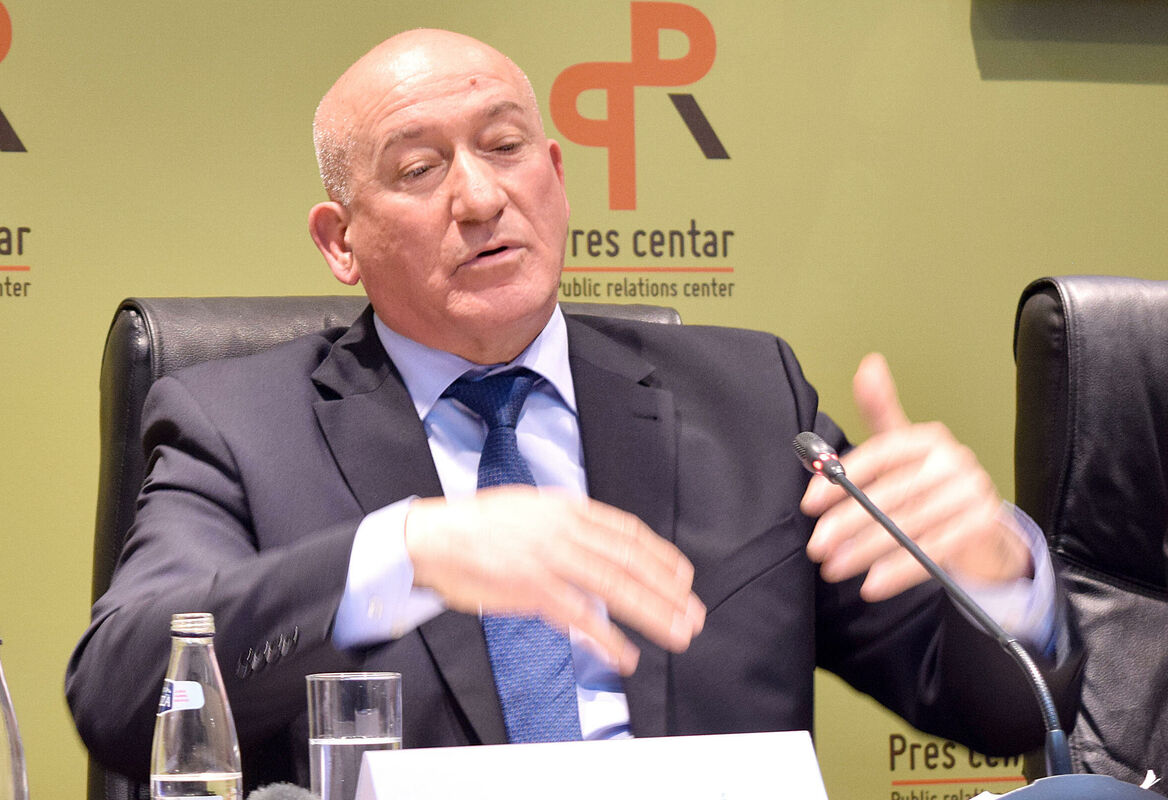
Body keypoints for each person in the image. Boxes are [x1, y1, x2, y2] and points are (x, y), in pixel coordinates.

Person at [66, 29, 1082, 791]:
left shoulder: (745, 398)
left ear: (554, 177)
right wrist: (408, 550)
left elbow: (997, 712)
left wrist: (991, 572)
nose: (479, 198)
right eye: (419, 169)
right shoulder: (239, 424)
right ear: (341, 241)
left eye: (506, 147)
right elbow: (123, 687)